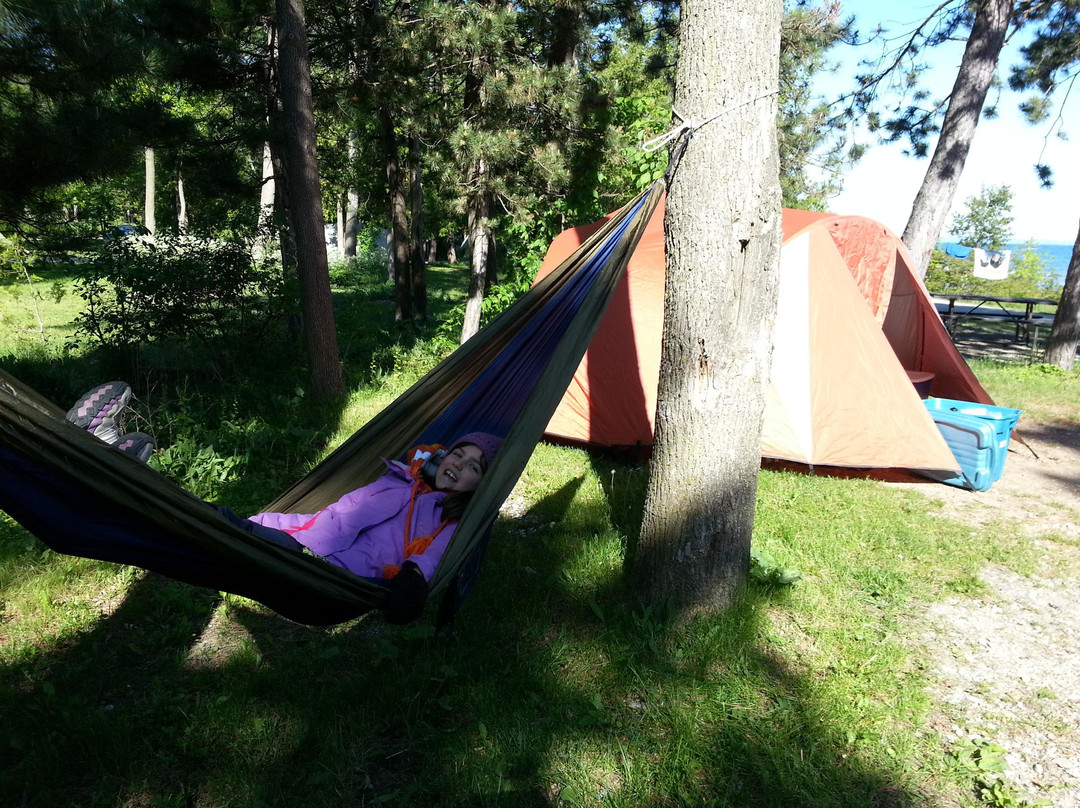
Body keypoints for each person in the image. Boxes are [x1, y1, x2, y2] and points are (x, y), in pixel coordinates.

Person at [67, 382, 501, 624]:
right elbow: (327, 518)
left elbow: (430, 559)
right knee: (210, 529)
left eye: (473, 468)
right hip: (296, 544)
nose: (459, 464)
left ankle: (119, 475)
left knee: (205, 531)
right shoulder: (399, 480)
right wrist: (265, 522)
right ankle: (118, 477)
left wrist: (412, 584)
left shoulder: (448, 519)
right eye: (457, 454)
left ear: (479, 488)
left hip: (327, 576)